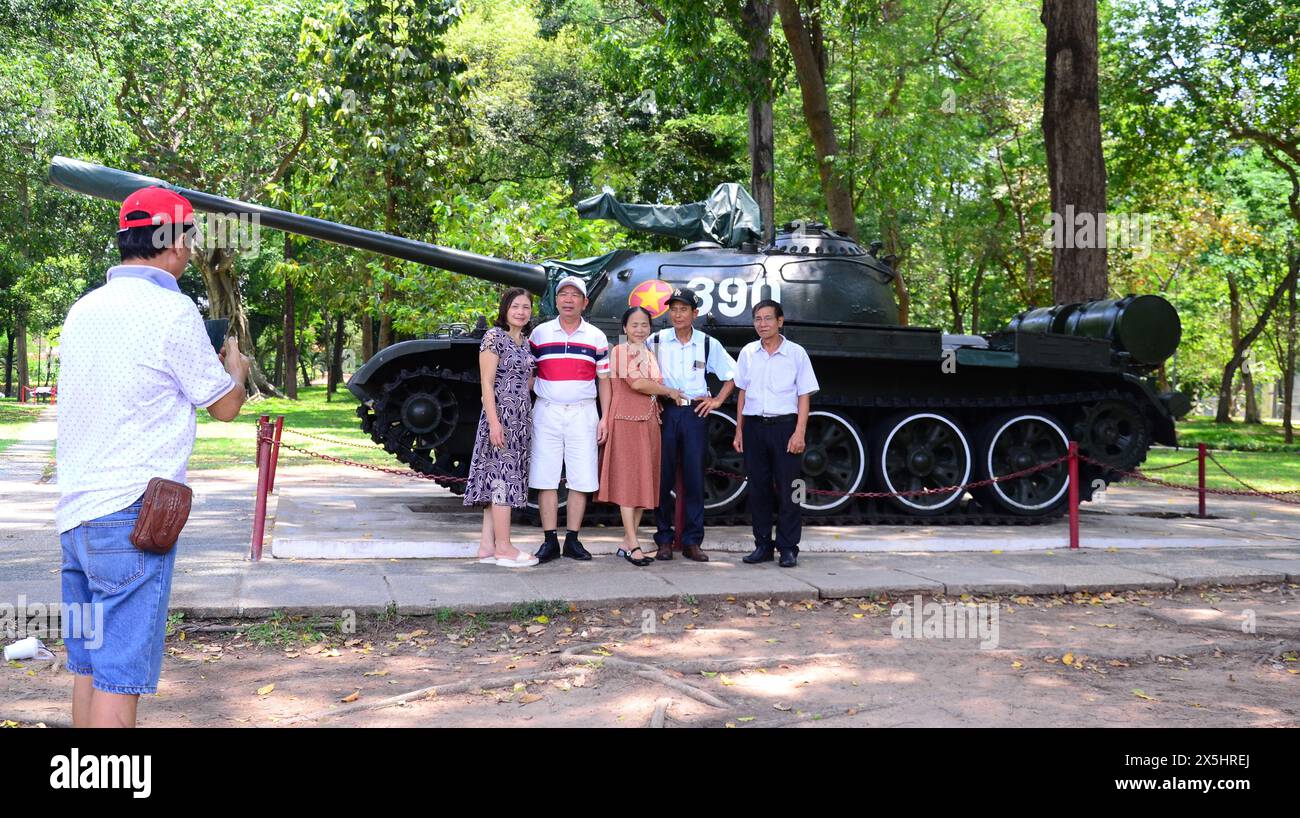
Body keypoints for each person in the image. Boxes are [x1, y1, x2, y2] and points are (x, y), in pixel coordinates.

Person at [57, 187, 251, 727]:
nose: (190, 251)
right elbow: (224, 406)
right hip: (131, 519)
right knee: (121, 676)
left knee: (87, 667)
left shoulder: (83, 309)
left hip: (75, 518)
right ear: (170, 242)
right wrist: (234, 366)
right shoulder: (173, 310)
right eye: (188, 238)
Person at [529, 275, 611, 562]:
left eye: (574, 295)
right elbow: (529, 376)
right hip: (547, 410)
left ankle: (573, 540)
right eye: (563, 293)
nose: (568, 299)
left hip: (583, 412)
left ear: (584, 302)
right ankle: (550, 540)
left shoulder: (596, 337)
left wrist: (605, 418)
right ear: (556, 300)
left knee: (581, 476)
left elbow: (605, 381)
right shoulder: (539, 334)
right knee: (545, 476)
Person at [651, 287, 737, 562]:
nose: (677, 314)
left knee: (694, 479)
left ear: (695, 313)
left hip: (695, 414)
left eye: (683, 309)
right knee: (661, 479)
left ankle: (692, 541)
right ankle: (664, 539)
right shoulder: (655, 340)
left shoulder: (707, 343)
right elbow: (630, 365)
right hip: (665, 412)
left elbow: (733, 374)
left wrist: (718, 401)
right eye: (673, 309)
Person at [732, 299, 819, 568]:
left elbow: (804, 394)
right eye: (757, 319)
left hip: (785, 427)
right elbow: (742, 393)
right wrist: (739, 430)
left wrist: (799, 432)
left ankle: (789, 548)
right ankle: (762, 545)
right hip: (755, 427)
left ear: (780, 321)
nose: (762, 324)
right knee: (758, 490)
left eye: (768, 318)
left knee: (790, 490)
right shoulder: (748, 352)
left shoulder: (796, 353)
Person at [596, 306, 686, 566]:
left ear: (650, 328)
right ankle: (633, 544)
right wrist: (669, 391)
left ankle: (627, 541)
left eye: (644, 324)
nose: (639, 329)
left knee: (644, 482)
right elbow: (637, 383)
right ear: (624, 328)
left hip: (649, 422)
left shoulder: (650, 352)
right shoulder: (620, 351)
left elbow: (651, 384)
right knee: (628, 482)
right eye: (634, 324)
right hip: (625, 421)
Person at [463, 287, 538, 568]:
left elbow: (526, 379)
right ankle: (504, 547)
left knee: (499, 480)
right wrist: (494, 422)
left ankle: (486, 546)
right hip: (501, 418)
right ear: (505, 308)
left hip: (520, 420)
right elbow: (486, 383)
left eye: (526, 307)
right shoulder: (494, 337)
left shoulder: (525, 342)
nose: (521, 312)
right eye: (516, 306)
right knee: (502, 481)